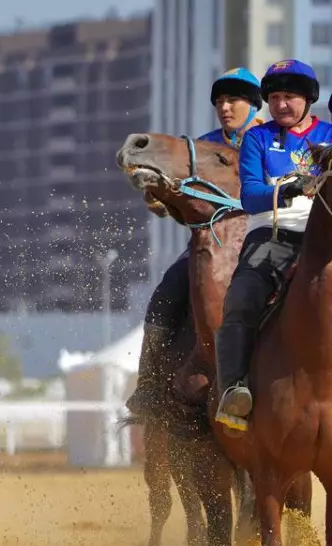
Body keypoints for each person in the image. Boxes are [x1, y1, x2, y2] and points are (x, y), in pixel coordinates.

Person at [125, 68, 264, 416]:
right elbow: (179, 203)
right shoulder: (201, 147)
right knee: (165, 293)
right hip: (211, 250)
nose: (225, 107)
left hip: (266, 246)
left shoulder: (271, 140)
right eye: (220, 101)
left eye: (233, 99)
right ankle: (149, 386)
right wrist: (161, 198)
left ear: (253, 104)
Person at [214, 59, 332, 433]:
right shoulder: (258, 138)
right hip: (273, 235)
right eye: (276, 97)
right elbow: (250, 197)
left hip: (326, 237)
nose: (282, 104)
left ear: (308, 99)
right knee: (241, 297)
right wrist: (293, 188)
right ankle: (234, 391)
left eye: (291, 96)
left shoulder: (330, 134)